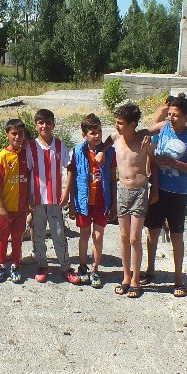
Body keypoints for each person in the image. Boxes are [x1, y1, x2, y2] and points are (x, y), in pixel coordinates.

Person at [143, 95, 187, 297]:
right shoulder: (164, 128)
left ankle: (178, 278)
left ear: (186, 117)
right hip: (158, 189)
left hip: (177, 193)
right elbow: (145, 130)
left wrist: (174, 163)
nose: (172, 118)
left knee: (176, 236)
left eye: (176, 115)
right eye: (170, 114)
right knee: (152, 232)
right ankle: (150, 270)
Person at [108, 103, 157, 299]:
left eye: (120, 123)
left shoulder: (144, 140)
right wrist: (102, 152)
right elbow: (100, 145)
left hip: (139, 192)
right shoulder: (114, 138)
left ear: (132, 124)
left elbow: (153, 163)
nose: (117, 126)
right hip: (122, 191)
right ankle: (126, 276)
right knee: (123, 236)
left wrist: (155, 190)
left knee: (135, 238)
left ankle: (136, 279)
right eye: (116, 122)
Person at [26, 109, 79, 284]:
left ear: (53, 125)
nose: (44, 126)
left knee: (58, 234)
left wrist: (66, 192)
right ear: (36, 125)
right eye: (41, 123)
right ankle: (42, 265)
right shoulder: (31, 147)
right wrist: (29, 198)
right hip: (38, 201)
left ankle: (65, 267)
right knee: (39, 234)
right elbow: (27, 173)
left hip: (56, 199)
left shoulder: (59, 145)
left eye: (48, 123)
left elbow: (69, 168)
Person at [67, 113, 116, 289]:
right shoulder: (78, 151)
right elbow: (72, 178)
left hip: (102, 201)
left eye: (99, 131)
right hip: (83, 201)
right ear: (84, 135)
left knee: (98, 236)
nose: (97, 136)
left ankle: (95, 269)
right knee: (84, 235)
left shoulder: (109, 152)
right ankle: (82, 266)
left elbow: (112, 179)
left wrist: (114, 203)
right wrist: (71, 203)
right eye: (92, 133)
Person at [0, 119, 33, 284]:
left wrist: (29, 200)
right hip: (6, 207)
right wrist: (1, 206)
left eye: (20, 133)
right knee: (3, 237)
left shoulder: (26, 154)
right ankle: (1, 265)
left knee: (17, 237)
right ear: (7, 135)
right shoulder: (3, 156)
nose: (17, 137)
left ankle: (15, 265)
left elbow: (30, 179)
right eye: (14, 133)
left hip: (21, 207)